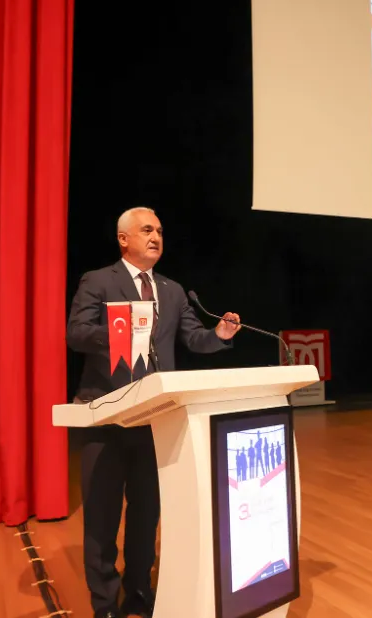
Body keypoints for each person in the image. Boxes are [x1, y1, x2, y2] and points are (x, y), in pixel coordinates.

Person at [66, 206, 242, 618]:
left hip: (154, 419)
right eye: (146, 230)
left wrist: (218, 334)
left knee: (146, 513)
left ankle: (139, 591)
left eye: (160, 231)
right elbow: (76, 333)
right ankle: (104, 604)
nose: (156, 237)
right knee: (102, 517)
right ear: (123, 239)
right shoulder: (98, 280)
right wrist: (121, 329)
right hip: (106, 416)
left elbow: (192, 338)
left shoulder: (172, 290)